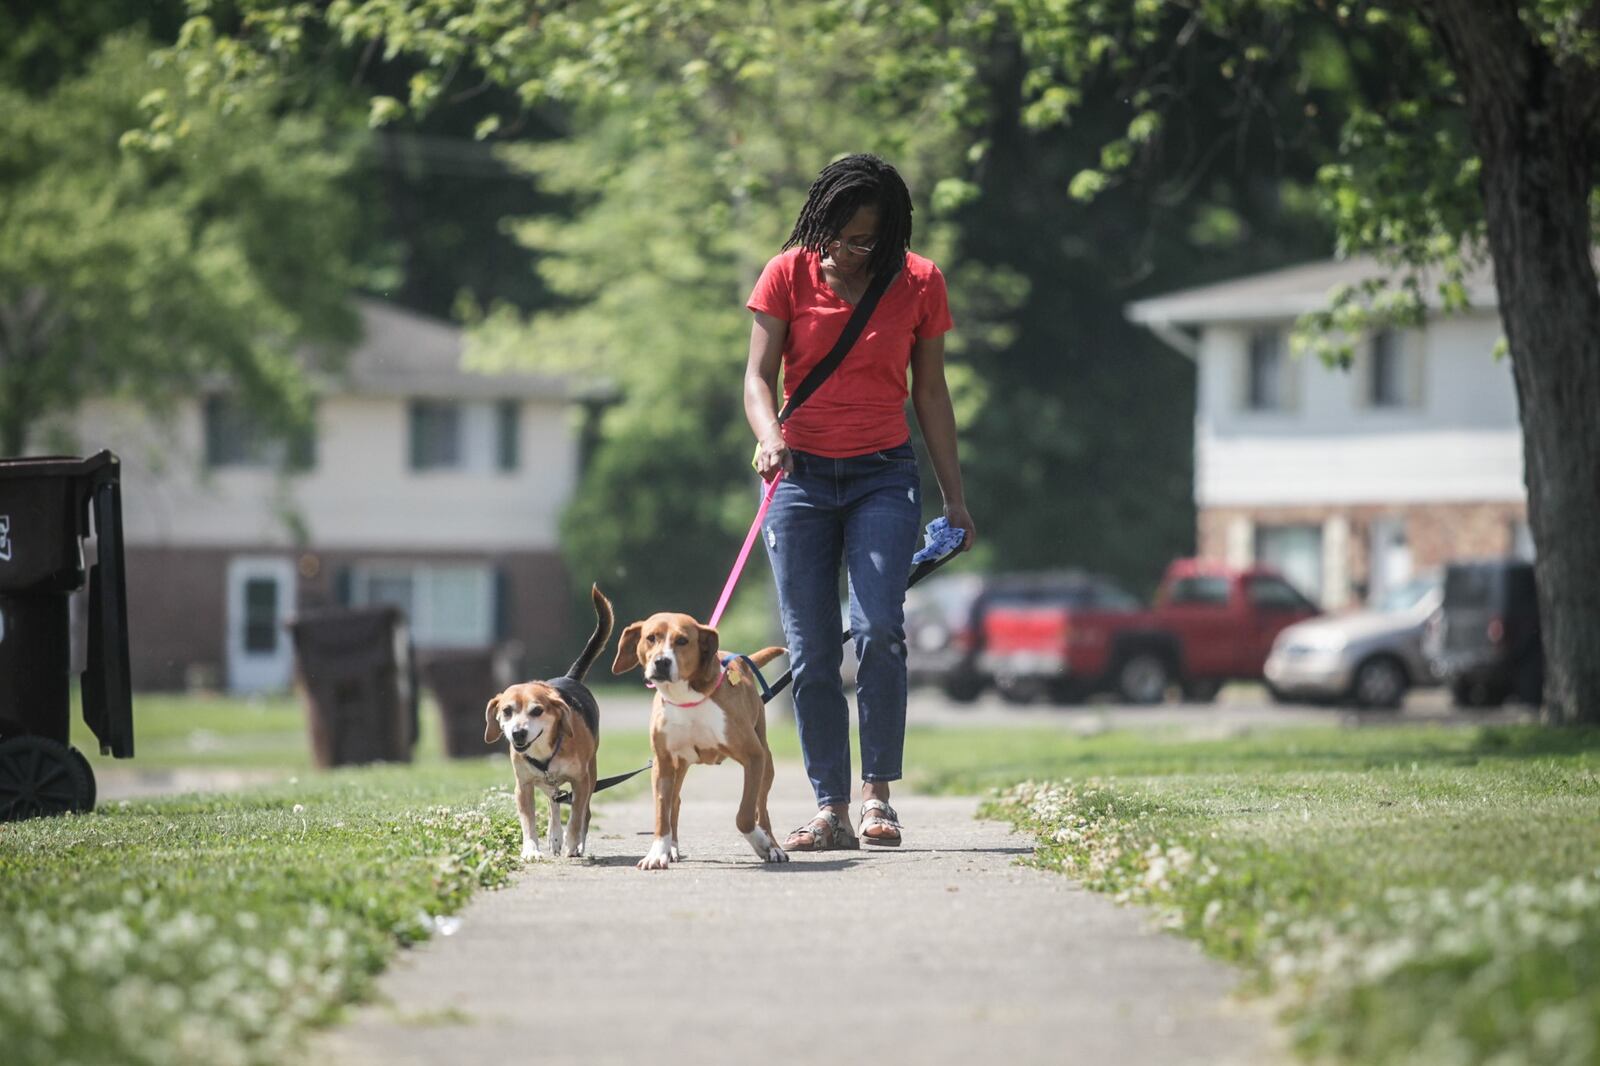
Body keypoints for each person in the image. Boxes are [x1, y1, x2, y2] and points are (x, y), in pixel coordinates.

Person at [743, 153, 976, 851]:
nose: (846, 253)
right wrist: (769, 435)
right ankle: (829, 807)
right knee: (812, 652)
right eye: (835, 237)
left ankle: (877, 797)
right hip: (801, 481)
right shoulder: (787, 272)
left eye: (864, 241)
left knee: (878, 628)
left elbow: (931, 394)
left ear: (892, 234)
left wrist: (954, 501)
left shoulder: (920, 283)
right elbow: (756, 378)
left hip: (882, 475)